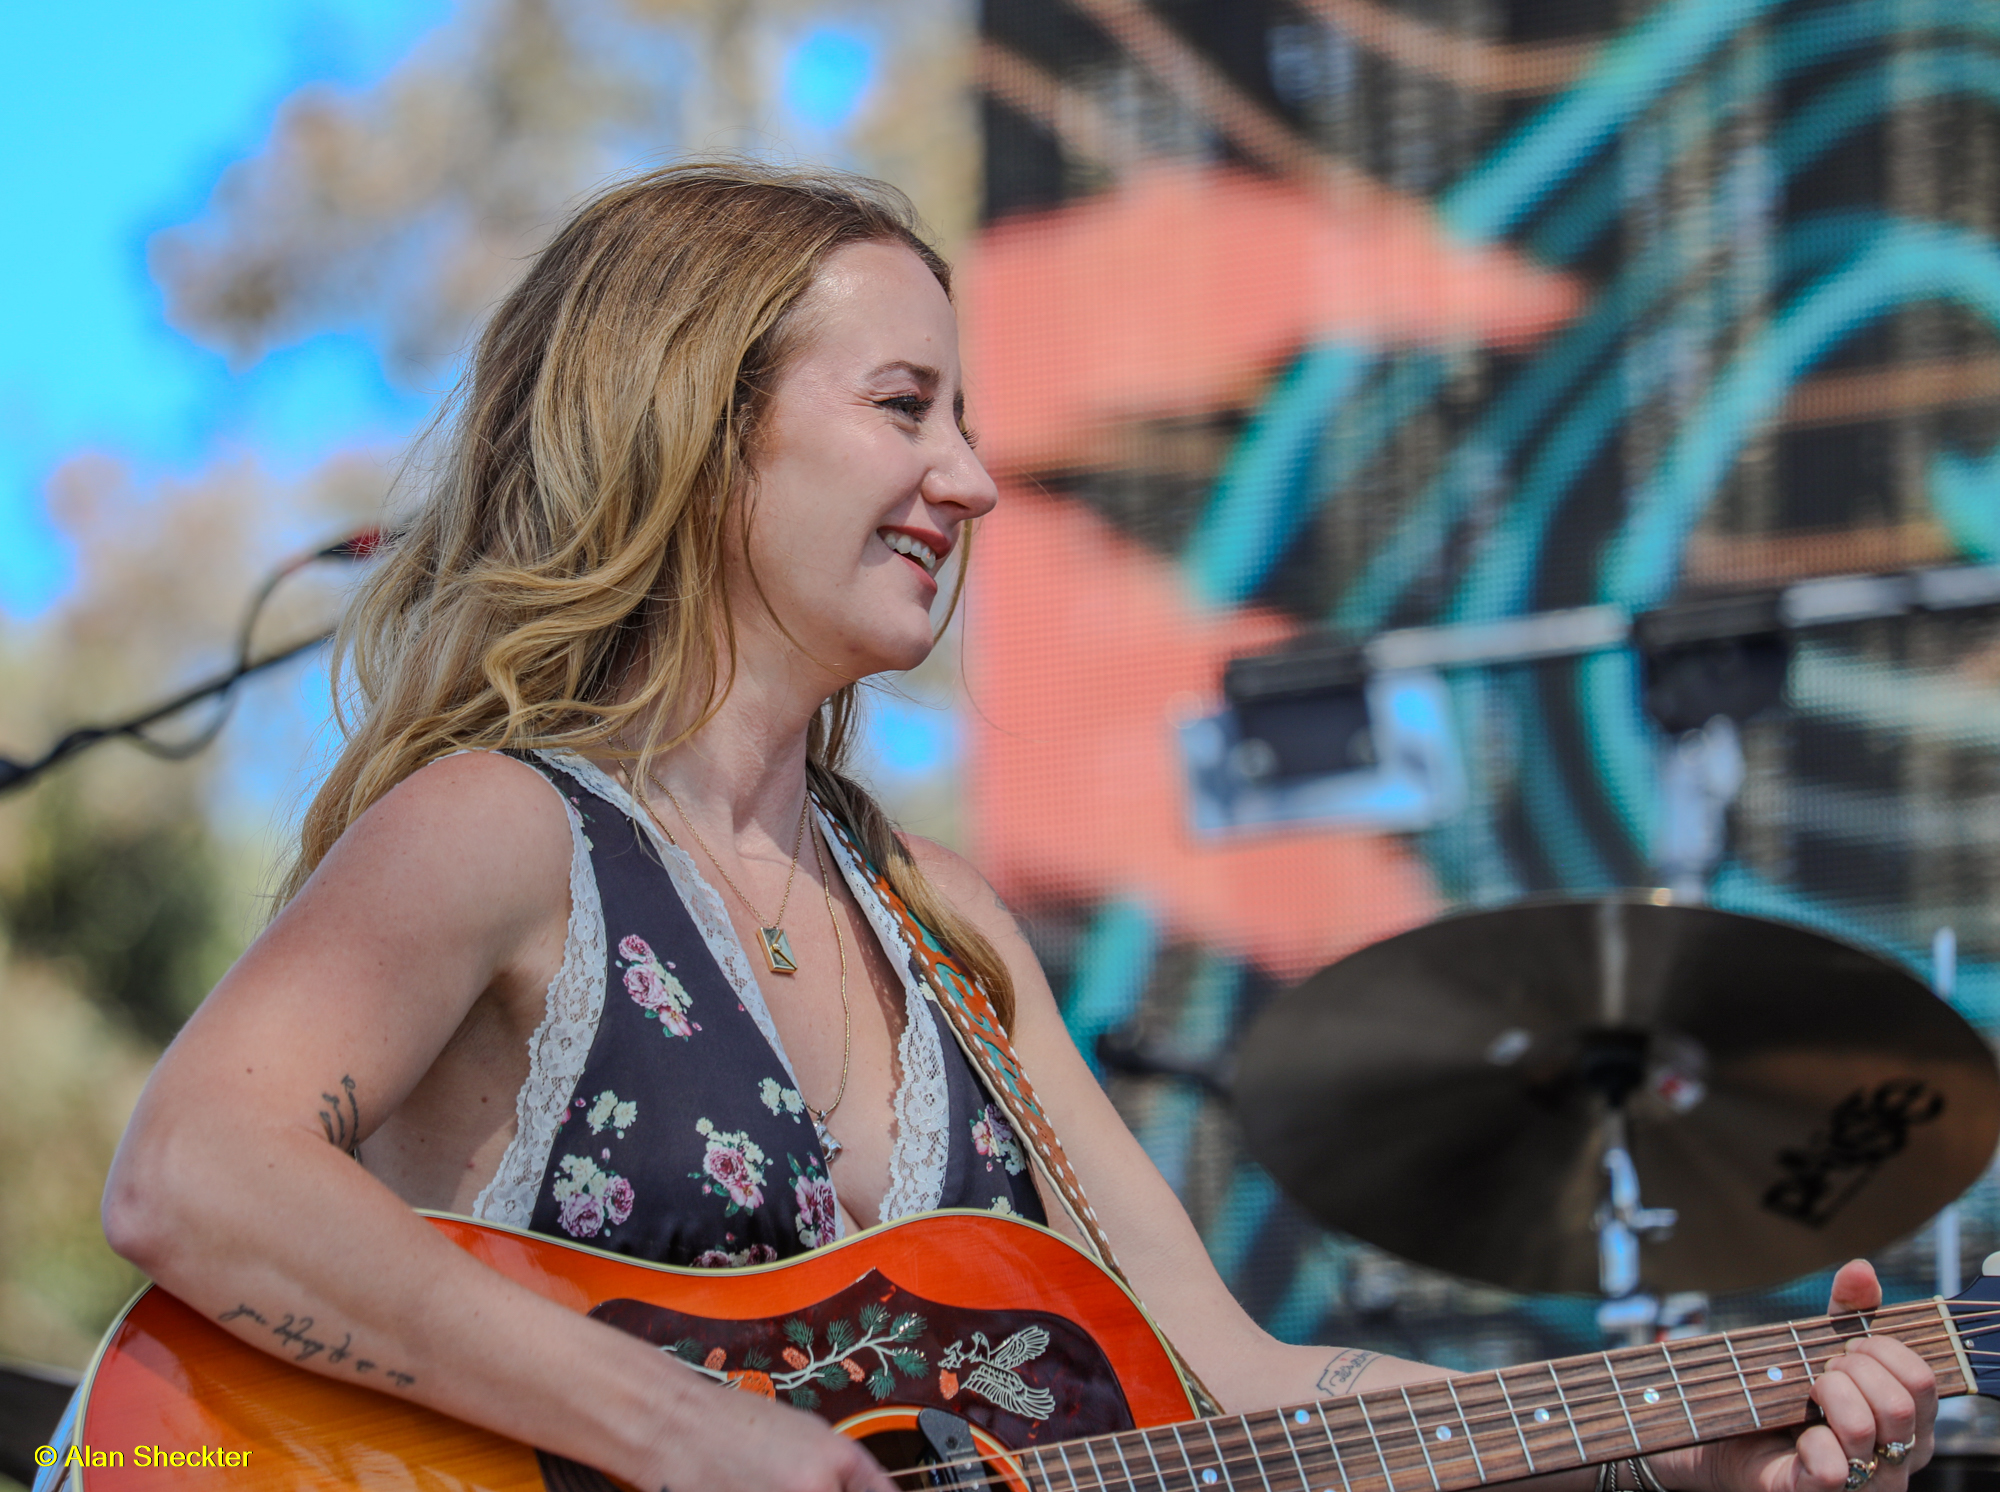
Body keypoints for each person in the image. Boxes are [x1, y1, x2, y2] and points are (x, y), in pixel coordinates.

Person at [102, 162, 1935, 1492]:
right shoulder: (503, 833)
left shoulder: (946, 928)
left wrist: (1663, 1437)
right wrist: (689, 1438)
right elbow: (191, 1174)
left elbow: (1242, 1389)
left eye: (967, 418)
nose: (971, 480)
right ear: (697, 429)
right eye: (905, 406)